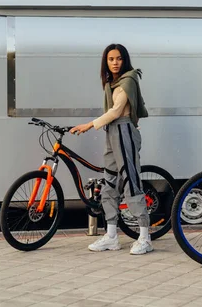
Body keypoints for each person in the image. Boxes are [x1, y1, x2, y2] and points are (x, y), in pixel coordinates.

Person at [70, 43, 152, 255]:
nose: (115, 63)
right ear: (105, 62)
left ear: (125, 60)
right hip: (113, 132)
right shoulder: (112, 83)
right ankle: (112, 235)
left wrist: (89, 125)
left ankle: (145, 237)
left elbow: (116, 111)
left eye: (119, 59)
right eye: (111, 59)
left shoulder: (128, 81)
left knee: (130, 182)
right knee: (110, 181)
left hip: (123, 130)